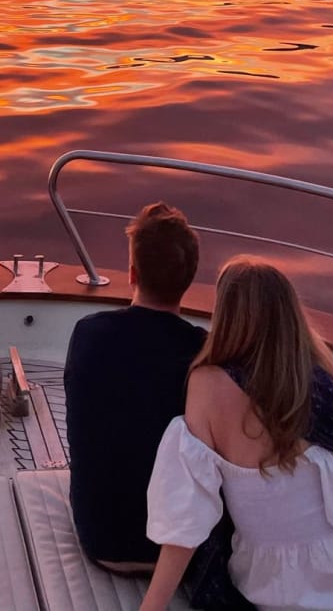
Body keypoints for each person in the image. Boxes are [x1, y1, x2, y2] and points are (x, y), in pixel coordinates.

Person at [142, 257, 333, 611]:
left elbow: (188, 509)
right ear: (289, 314)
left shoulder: (206, 385)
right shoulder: (316, 382)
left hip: (280, 592)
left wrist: (151, 606)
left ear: (226, 314)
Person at [64, 201, 204, 570]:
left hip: (100, 537)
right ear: (189, 279)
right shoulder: (203, 354)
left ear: (131, 273)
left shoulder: (88, 333)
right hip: (176, 550)